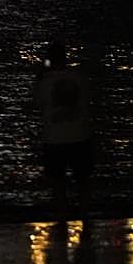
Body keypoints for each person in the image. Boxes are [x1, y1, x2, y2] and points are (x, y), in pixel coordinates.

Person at [33, 40, 93, 204]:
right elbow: (89, 100)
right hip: (80, 135)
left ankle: (62, 218)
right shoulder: (79, 78)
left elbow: (36, 103)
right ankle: (86, 218)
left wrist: (40, 74)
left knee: (58, 183)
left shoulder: (44, 81)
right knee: (83, 182)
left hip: (54, 139)